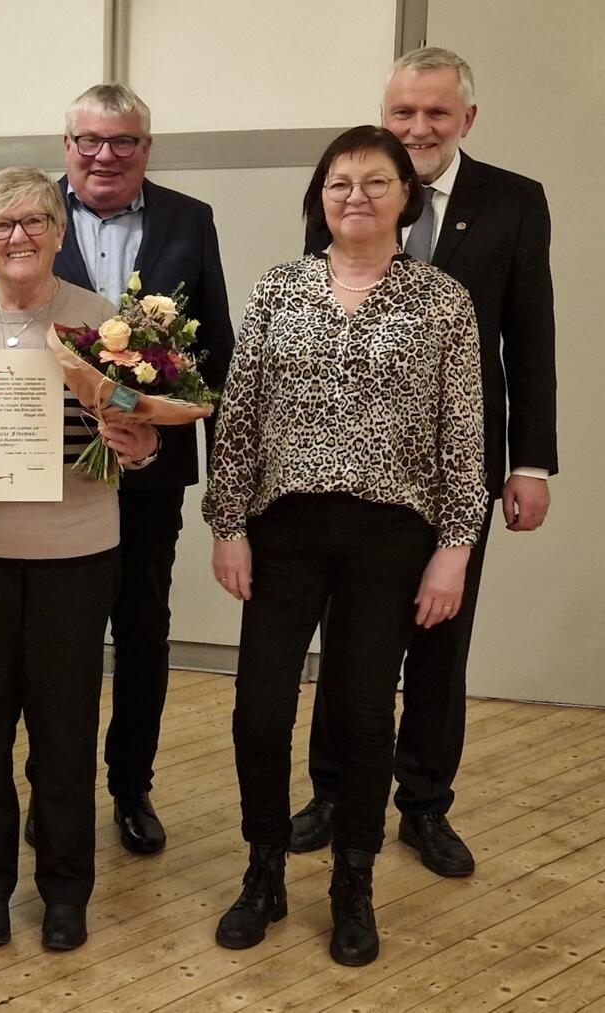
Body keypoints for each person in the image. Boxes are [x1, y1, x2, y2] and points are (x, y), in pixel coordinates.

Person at [203, 125, 486, 966]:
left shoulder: (443, 301)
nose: (354, 196)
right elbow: (240, 416)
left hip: (392, 537)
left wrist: (455, 549)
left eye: (374, 181)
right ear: (317, 198)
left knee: (365, 716)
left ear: (406, 196)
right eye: (338, 182)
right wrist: (227, 526)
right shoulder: (279, 289)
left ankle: (353, 882)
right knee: (259, 709)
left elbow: (464, 438)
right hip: (283, 531)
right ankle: (263, 873)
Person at [292, 47, 558, 878]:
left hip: (458, 468)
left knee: (442, 641)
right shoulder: (348, 189)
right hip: (350, 469)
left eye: (435, 114)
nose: (416, 129)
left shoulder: (514, 202)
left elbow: (530, 338)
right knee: (349, 641)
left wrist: (532, 463)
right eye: (403, 111)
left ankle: (425, 805)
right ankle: (334, 792)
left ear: (466, 120)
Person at [0, 168, 159, 951]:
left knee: (63, 733)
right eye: (1, 226)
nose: (17, 237)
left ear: (60, 231)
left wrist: (142, 442)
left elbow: (136, 428)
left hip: (75, 556)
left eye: (33, 222)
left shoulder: (102, 323)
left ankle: (64, 890)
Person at [51, 83, 234, 854]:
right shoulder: (31, 215)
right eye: (90, 139)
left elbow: (215, 352)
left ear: (146, 149)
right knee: (59, 638)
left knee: (142, 632)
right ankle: (53, 792)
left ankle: (131, 787)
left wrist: (205, 462)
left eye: (123, 141)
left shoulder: (191, 221)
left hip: (151, 474)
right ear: (67, 147)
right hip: (51, 469)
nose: (105, 155)